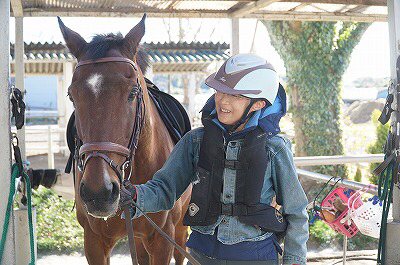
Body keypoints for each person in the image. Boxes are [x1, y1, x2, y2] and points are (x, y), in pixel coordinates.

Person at [122, 53, 309, 265]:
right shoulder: (195, 141)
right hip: (201, 255)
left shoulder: (275, 148)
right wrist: (135, 195)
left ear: (258, 104)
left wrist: (294, 260)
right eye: (220, 91)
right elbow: (165, 188)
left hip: (256, 256)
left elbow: (296, 212)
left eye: (236, 95)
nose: (223, 100)